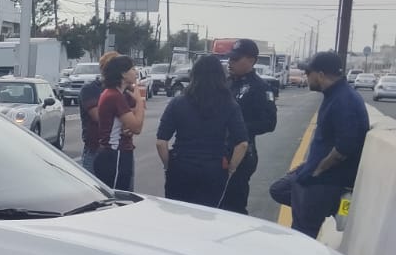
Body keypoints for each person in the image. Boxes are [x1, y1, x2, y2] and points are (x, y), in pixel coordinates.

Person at [269, 51, 369, 238]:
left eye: (308, 73)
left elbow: (345, 147)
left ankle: (320, 211)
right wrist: (308, 166)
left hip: (324, 182)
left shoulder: (344, 100)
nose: (306, 77)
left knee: (302, 235)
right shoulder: (335, 95)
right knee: (279, 189)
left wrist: (317, 171)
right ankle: (321, 209)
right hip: (314, 177)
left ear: (321, 75)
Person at [155, 55, 249, 207]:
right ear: (221, 76)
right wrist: (231, 168)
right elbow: (242, 144)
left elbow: (161, 142)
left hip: (181, 167)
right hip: (213, 169)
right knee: (208, 216)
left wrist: (168, 165)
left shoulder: (178, 103)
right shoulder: (230, 104)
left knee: (176, 215)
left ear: (194, 75)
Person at [218, 38, 277, 214]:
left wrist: (239, 128)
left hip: (241, 154)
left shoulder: (260, 88)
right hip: (219, 151)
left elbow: (269, 123)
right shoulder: (227, 83)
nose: (230, 62)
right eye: (230, 58)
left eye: (235, 59)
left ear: (251, 60)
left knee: (233, 206)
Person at [91, 55, 145, 191]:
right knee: (117, 198)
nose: (136, 72)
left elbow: (126, 121)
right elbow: (137, 127)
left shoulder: (114, 94)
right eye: (132, 69)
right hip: (114, 155)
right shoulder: (114, 96)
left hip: (113, 154)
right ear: (123, 74)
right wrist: (140, 101)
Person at [78, 51, 118, 172]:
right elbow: (99, 118)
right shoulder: (90, 90)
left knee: (120, 190)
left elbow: (134, 123)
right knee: (93, 189)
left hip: (120, 151)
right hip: (95, 150)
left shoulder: (124, 91)